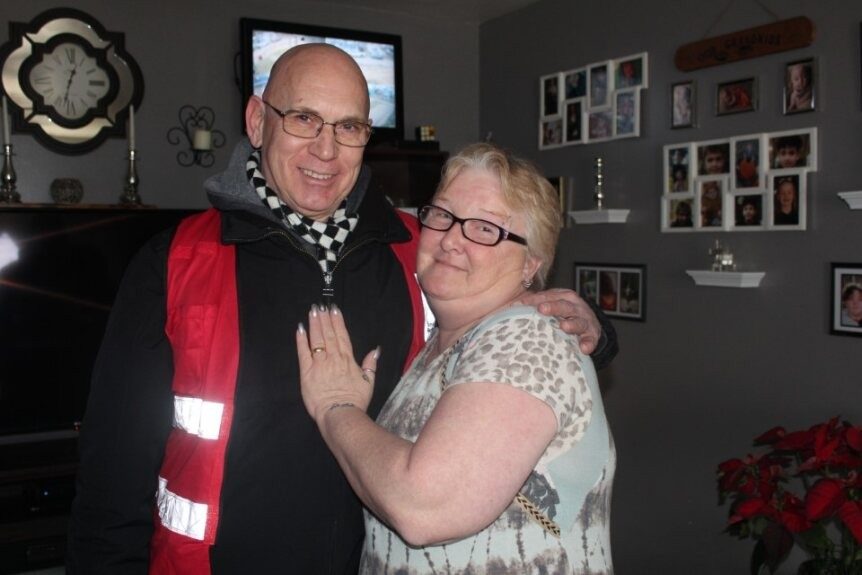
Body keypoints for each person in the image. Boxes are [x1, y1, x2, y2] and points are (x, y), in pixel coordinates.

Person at [67, 44, 618, 574]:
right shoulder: (177, 259)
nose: (325, 151)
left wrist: (589, 326)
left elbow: (503, 319)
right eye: (303, 118)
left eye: (348, 127)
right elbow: (112, 475)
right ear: (258, 122)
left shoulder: (421, 250)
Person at [296, 143, 615, 574]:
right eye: (443, 215)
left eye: (486, 229)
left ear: (531, 264)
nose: (451, 239)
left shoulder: (525, 338)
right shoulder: (440, 345)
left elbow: (424, 508)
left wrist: (337, 407)